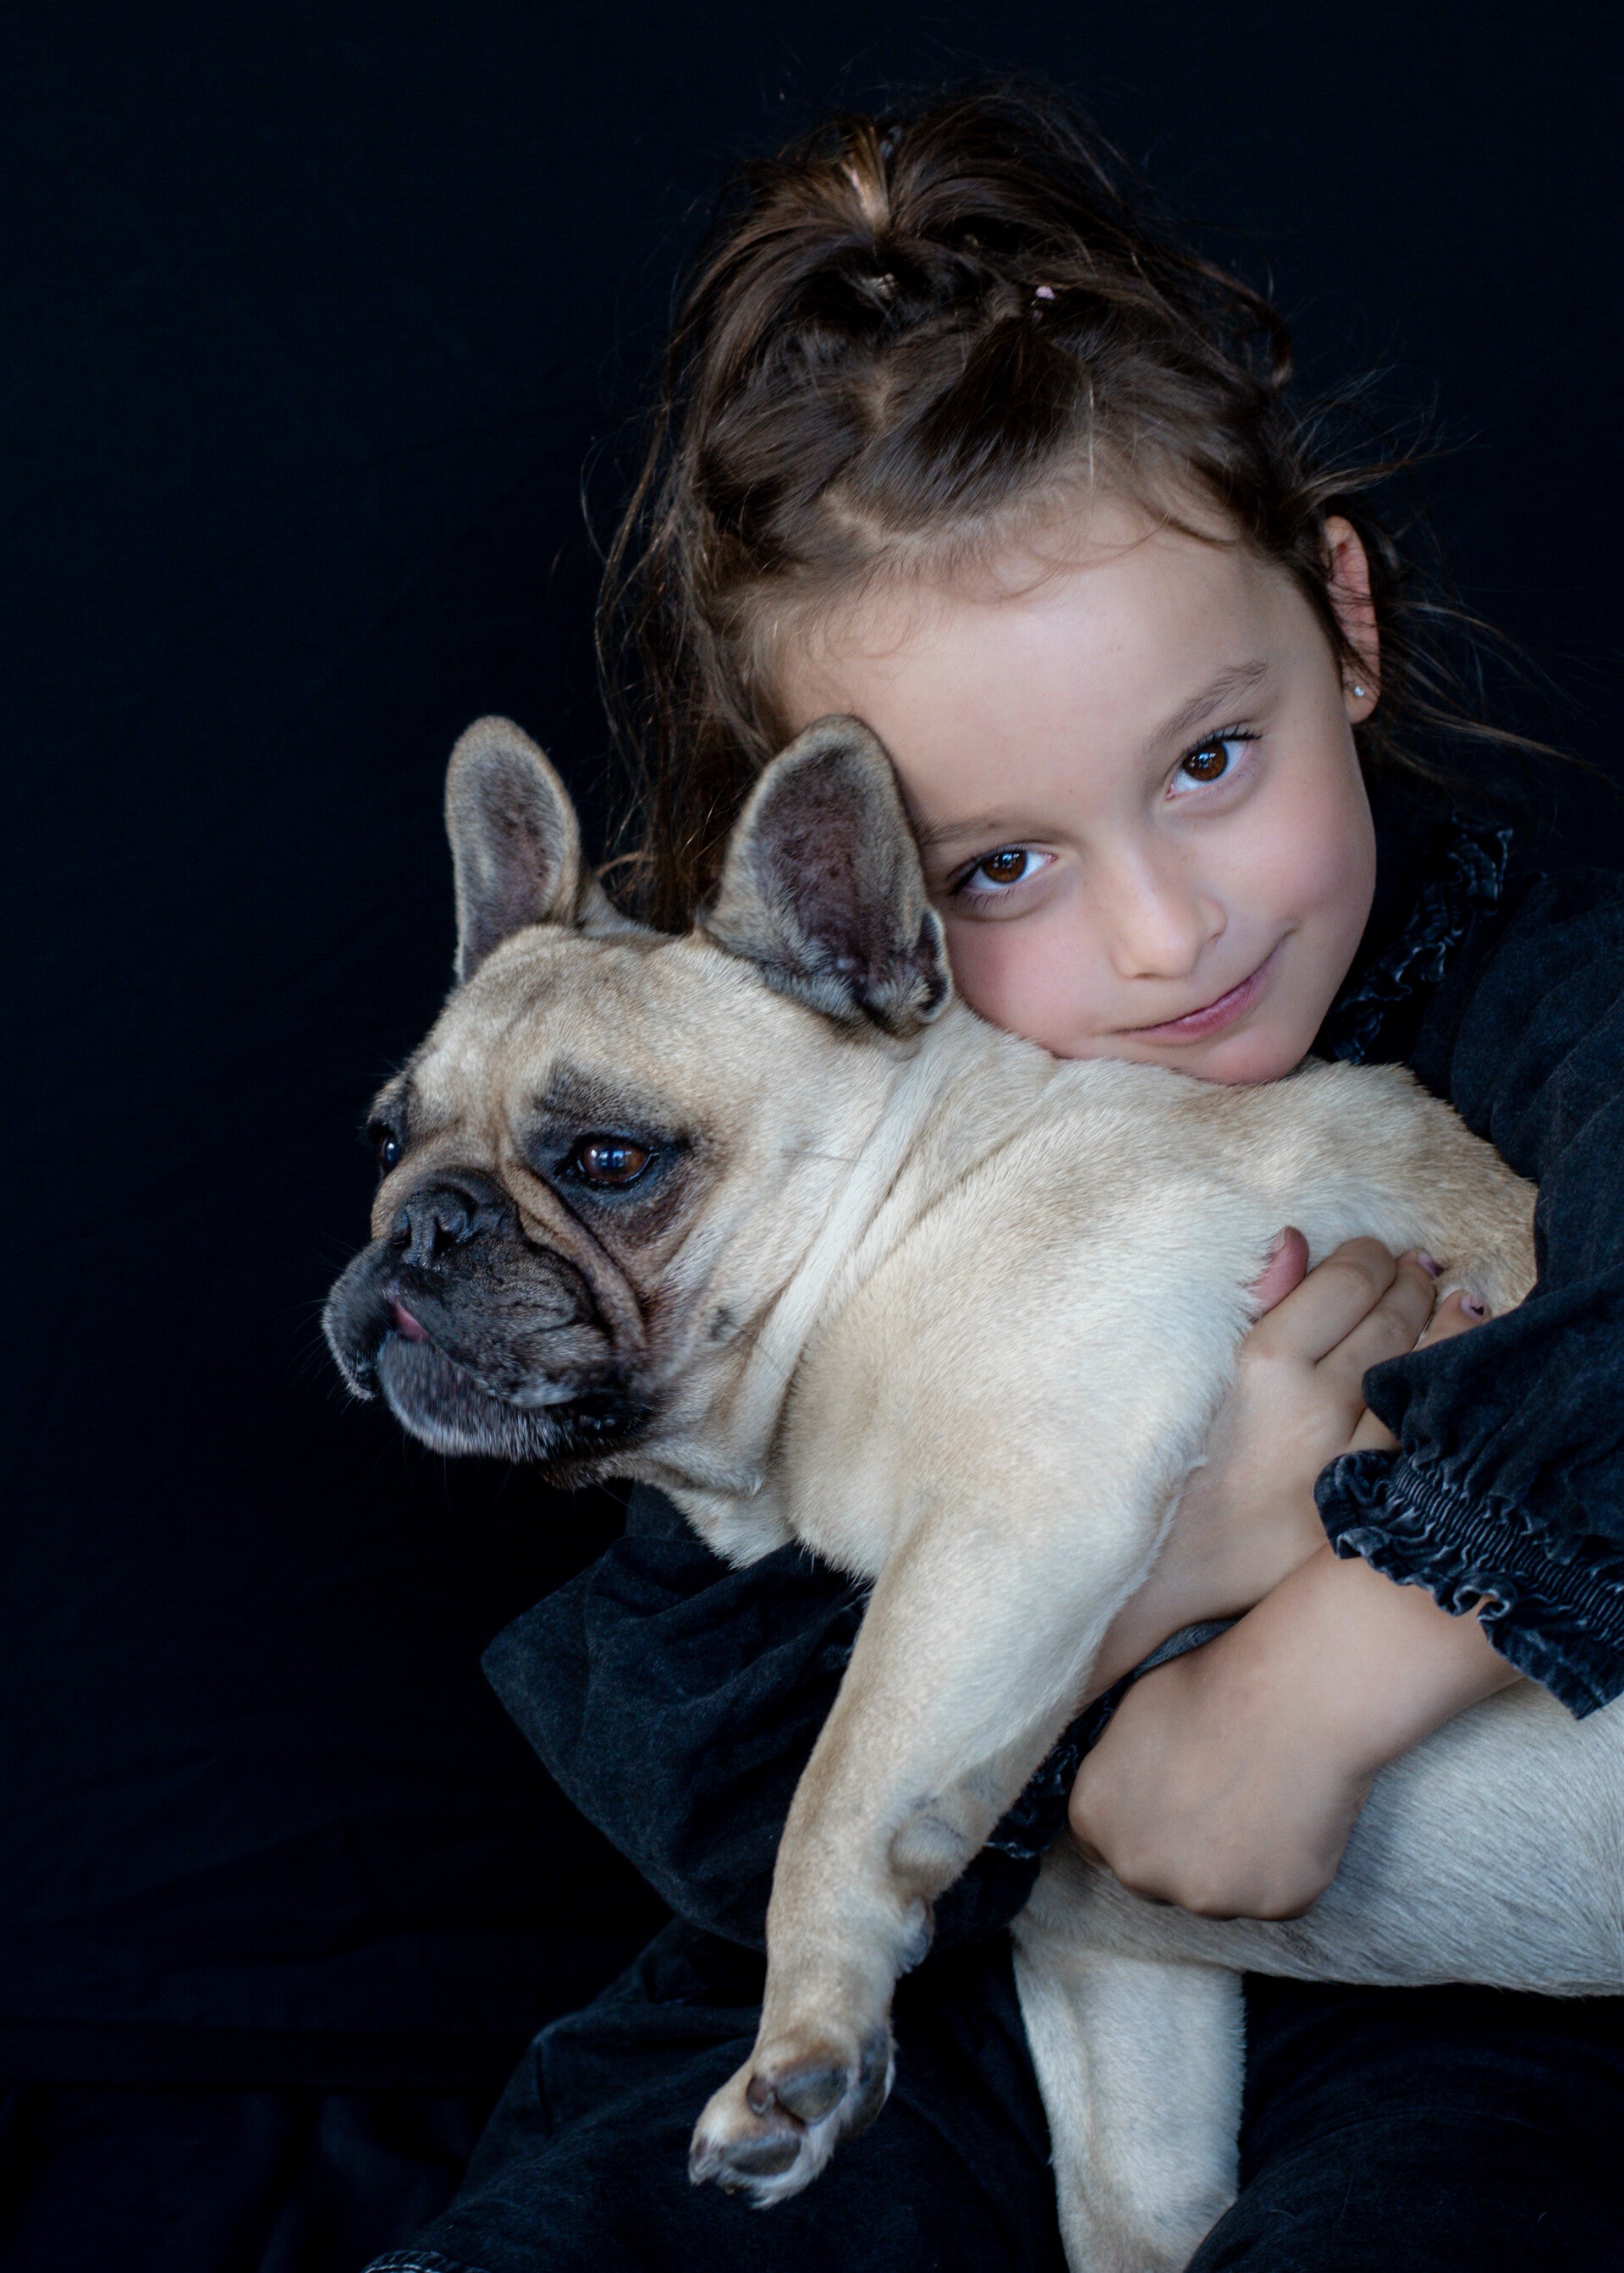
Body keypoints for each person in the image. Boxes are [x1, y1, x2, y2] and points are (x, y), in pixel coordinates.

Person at [369, 86, 1624, 2273]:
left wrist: (1312, 1662)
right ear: (843, 908)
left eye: (1210, 759)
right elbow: (736, 1774)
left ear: (1346, 622)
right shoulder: (844, 1222)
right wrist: (1190, 1554)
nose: (1162, 932)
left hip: (1516, 2016)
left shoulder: (1554, 1005)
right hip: (1033, 1959)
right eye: (1002, 869)